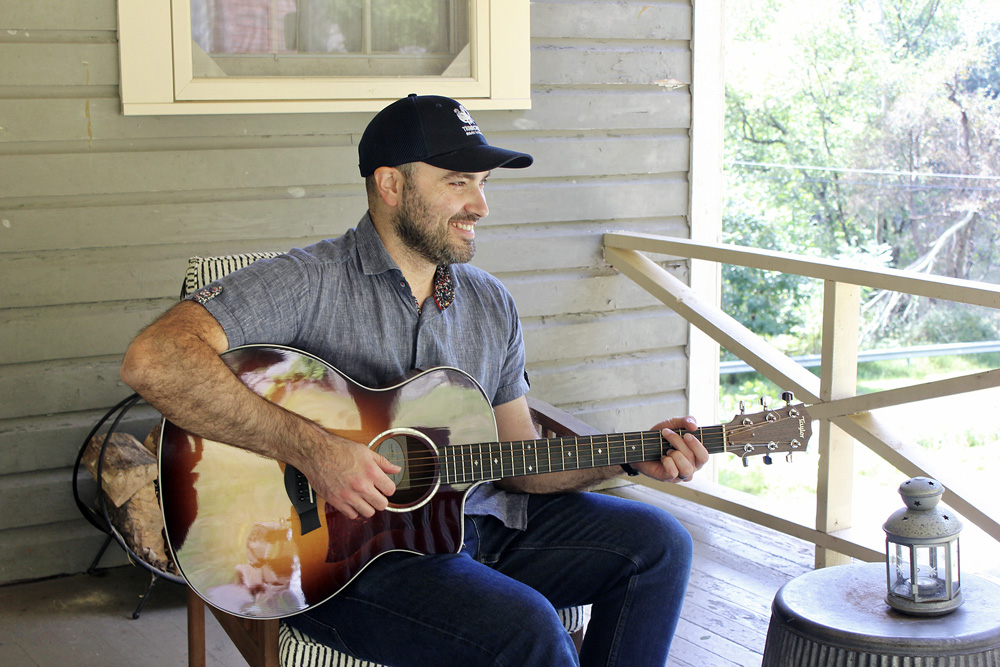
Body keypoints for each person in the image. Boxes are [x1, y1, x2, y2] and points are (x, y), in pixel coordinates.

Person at [121, 94, 709, 666]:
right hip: (341, 560)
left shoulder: (490, 303)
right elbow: (155, 359)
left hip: (473, 524)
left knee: (659, 545)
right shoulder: (306, 281)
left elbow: (520, 463)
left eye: (484, 183)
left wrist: (630, 458)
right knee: (525, 628)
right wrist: (314, 449)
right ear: (390, 185)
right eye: (458, 182)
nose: (480, 205)